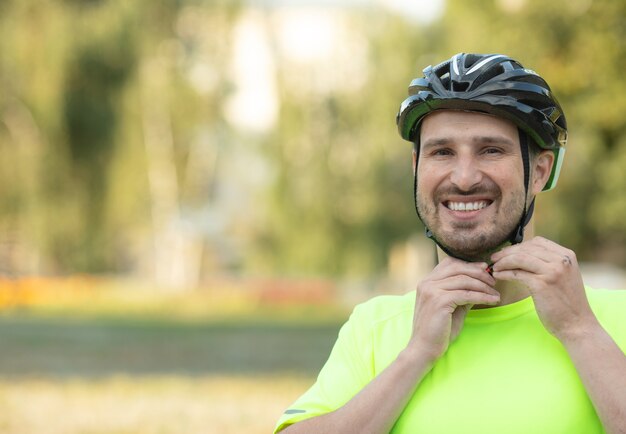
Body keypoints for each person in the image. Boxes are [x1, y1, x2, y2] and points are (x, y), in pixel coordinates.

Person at [274, 53, 626, 434]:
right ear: (417, 169)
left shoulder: (611, 318)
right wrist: (416, 355)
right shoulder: (376, 326)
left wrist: (579, 329)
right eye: (442, 152)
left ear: (539, 171)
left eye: (491, 150)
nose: (463, 177)